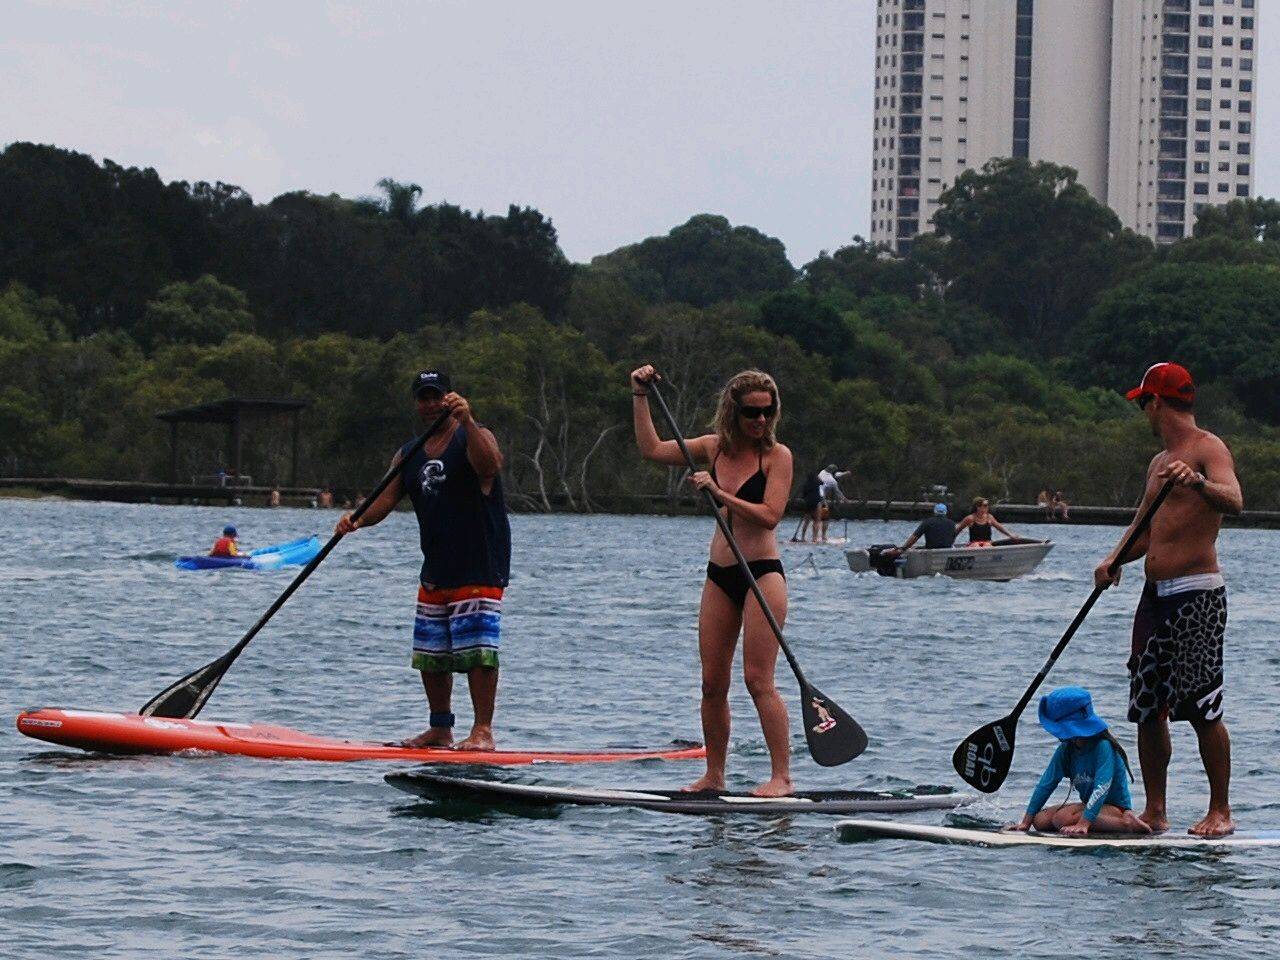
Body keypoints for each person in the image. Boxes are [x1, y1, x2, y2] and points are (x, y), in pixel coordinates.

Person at [631, 363, 794, 797]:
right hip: (719, 575)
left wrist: (718, 494)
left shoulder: (777, 457)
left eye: (767, 411)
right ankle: (714, 775)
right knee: (711, 682)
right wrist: (640, 396)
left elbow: (771, 515)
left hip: (761, 575)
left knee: (758, 679)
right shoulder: (713, 448)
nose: (760, 420)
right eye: (751, 412)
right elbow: (650, 449)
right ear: (733, 412)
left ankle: (782, 776)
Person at [1095, 362, 1242, 836]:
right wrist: (1114, 560)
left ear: (1157, 403)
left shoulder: (1207, 449)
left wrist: (1197, 482)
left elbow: (1235, 500)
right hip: (1153, 598)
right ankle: (1155, 811)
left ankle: (1220, 811)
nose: (1144, 413)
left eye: (1144, 403)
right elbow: (1144, 530)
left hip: (1197, 597)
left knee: (1202, 707)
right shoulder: (1158, 465)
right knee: (1146, 705)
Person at [335, 369, 510, 751]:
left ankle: (483, 731)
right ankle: (440, 728)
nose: (431, 404)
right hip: (436, 568)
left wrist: (469, 420)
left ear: (450, 397)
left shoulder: (474, 436)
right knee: (431, 653)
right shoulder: (409, 453)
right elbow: (384, 500)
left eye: (437, 396)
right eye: (424, 397)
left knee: (477, 650)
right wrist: (356, 520)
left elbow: (489, 467)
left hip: (479, 563)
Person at [1011, 687, 1149, 836]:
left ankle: (1126, 824)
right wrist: (1026, 822)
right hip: (1090, 806)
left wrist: (1084, 823)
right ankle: (1084, 818)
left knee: (1061, 819)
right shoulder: (1066, 749)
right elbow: (1046, 784)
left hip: (1115, 808)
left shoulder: (1103, 746)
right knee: (1040, 820)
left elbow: (1101, 788)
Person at [815, 464, 849, 542]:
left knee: (814, 517)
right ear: (833, 472)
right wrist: (844, 499)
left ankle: (814, 536)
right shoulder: (833, 481)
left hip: (813, 497)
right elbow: (838, 492)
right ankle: (823, 537)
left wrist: (845, 473)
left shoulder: (822, 472)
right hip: (821, 498)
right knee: (825, 518)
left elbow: (836, 475)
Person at [795, 470, 823, 542]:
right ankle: (814, 538)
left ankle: (803, 537)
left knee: (806, 521)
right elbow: (822, 482)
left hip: (808, 503)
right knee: (817, 520)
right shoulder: (817, 482)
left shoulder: (805, 484)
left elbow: (804, 494)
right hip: (816, 502)